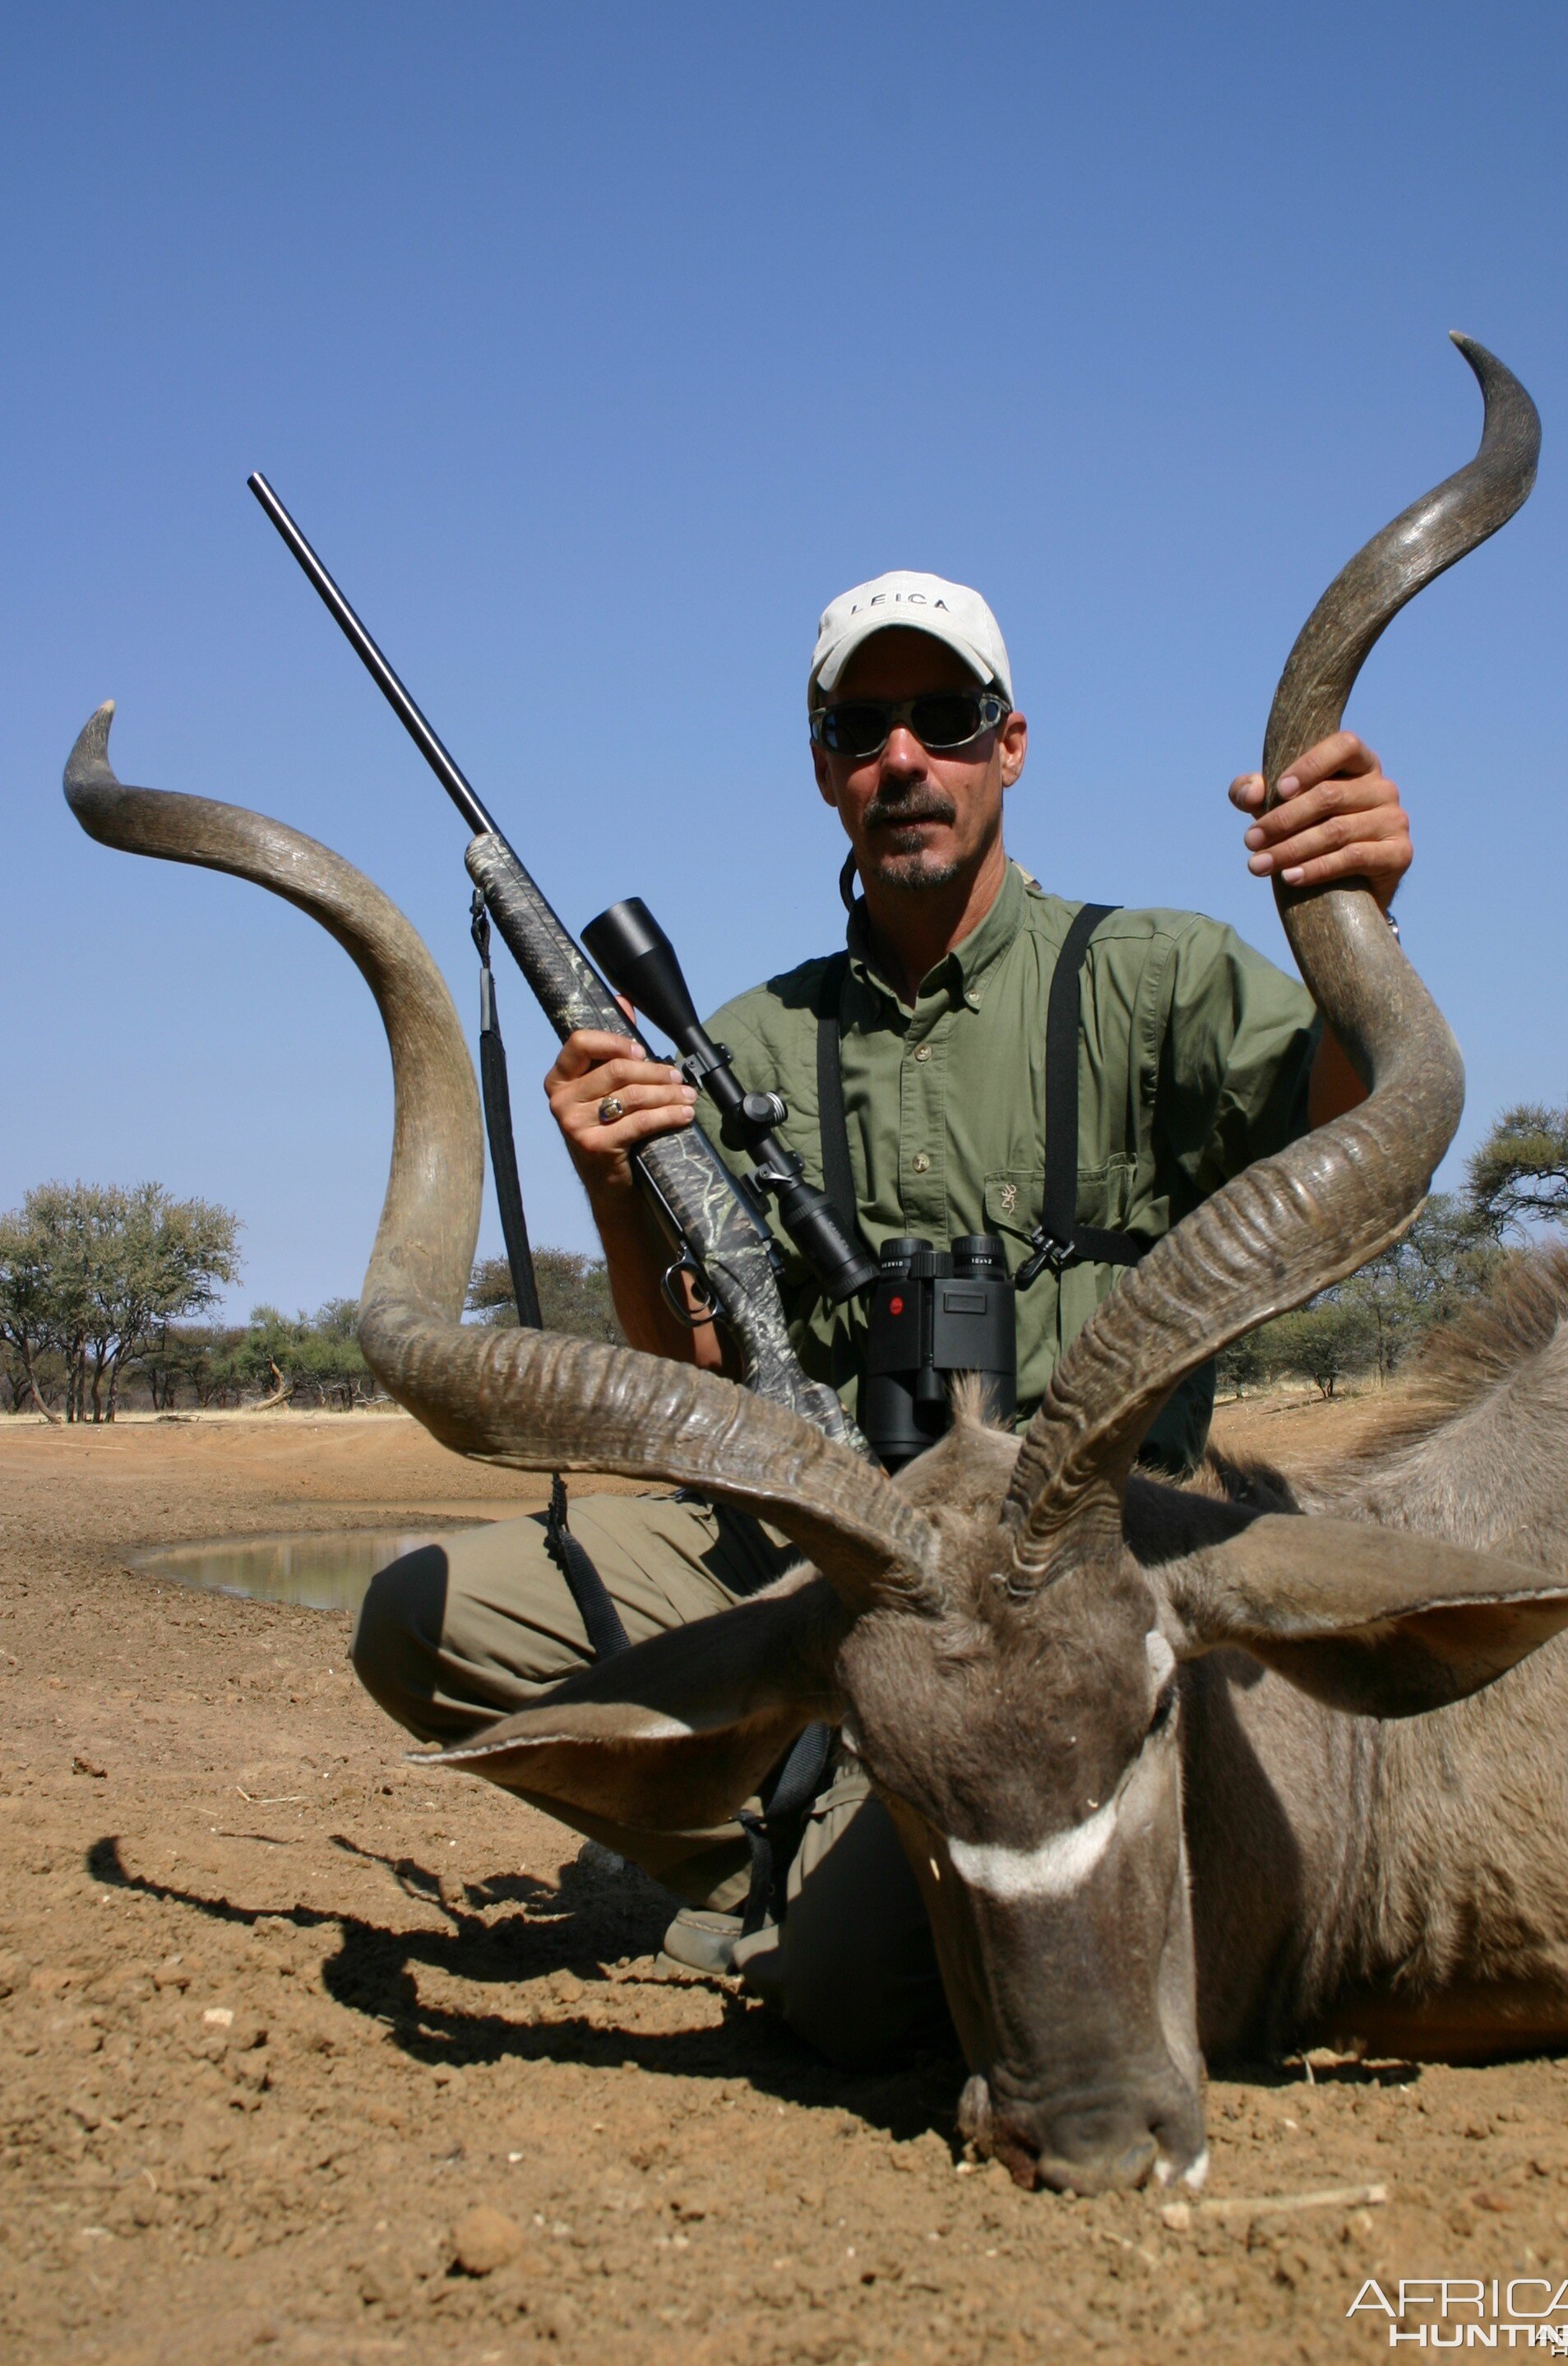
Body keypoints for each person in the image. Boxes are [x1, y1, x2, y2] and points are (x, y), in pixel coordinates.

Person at [353, 570, 1412, 2057]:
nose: (902, 759)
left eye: (943, 719)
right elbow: (696, 1375)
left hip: (1081, 1575)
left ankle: (872, 1860)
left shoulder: (1157, 974)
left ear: (1010, 744)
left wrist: (1356, 919)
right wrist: (612, 1188)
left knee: (860, 2010)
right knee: (424, 1625)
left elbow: (1345, 1137)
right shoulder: (752, 1042)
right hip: (841, 1552)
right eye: (862, 727)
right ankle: (787, 1849)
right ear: (824, 770)